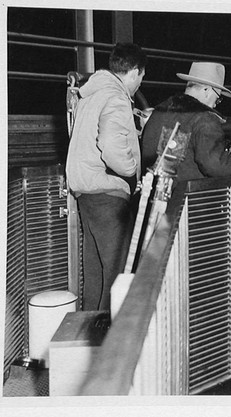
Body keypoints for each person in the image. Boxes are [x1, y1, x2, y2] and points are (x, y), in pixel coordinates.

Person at [65, 42, 148, 311]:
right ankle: (107, 341)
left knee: (97, 274)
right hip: (107, 192)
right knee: (117, 275)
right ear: (134, 72)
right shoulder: (116, 96)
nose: (138, 85)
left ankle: (89, 334)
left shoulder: (92, 93)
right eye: (141, 78)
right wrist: (131, 173)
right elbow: (111, 145)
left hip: (86, 190)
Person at [141, 61, 231, 181]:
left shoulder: (159, 111)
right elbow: (214, 164)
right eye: (218, 98)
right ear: (206, 90)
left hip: (152, 191)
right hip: (189, 195)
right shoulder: (204, 119)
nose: (215, 104)